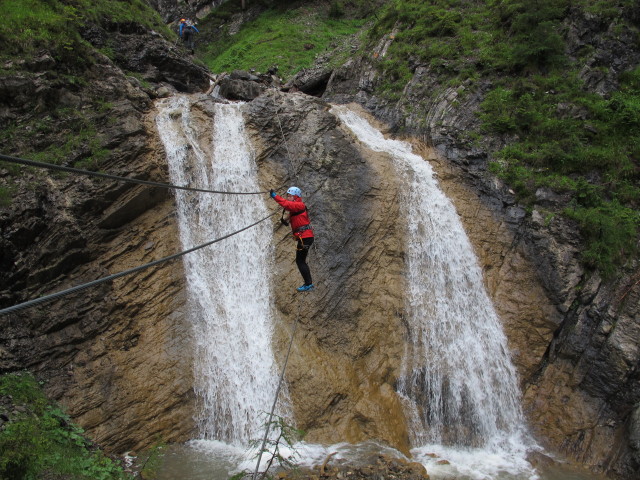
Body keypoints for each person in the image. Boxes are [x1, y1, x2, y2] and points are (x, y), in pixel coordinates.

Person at [270, 186, 314, 292]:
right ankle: (308, 284)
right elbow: (296, 214)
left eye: (289, 196)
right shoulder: (298, 207)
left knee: (300, 261)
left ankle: (308, 284)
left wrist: (275, 196)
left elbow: (287, 204)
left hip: (305, 237)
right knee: (300, 260)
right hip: (305, 237)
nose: (288, 197)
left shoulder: (299, 204)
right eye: (288, 196)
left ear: (295, 197)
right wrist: (286, 220)